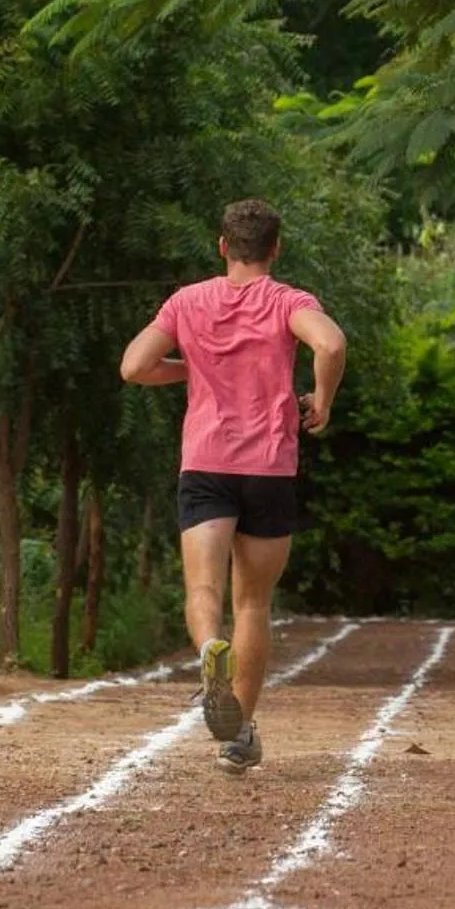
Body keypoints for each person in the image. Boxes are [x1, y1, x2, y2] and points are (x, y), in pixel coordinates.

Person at [120, 198, 346, 773]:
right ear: (275, 248)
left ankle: (206, 653)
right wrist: (322, 399)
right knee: (253, 601)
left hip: (206, 465)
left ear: (222, 246)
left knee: (205, 592)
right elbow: (332, 344)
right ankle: (239, 733)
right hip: (269, 467)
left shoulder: (187, 302)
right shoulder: (289, 301)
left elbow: (134, 367)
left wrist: (190, 370)